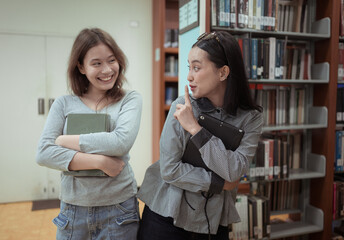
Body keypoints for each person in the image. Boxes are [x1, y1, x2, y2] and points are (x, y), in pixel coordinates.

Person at [137, 31, 263, 240]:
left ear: (223, 73)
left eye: (197, 67)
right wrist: (219, 183)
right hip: (166, 215)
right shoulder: (182, 106)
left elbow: (234, 170)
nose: (189, 76)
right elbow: (169, 169)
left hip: (213, 222)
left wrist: (196, 130)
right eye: (189, 67)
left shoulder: (251, 118)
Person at [36, 28, 142, 240]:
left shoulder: (129, 99)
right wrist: (101, 162)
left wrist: (66, 141)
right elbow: (44, 153)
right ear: (81, 67)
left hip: (119, 209)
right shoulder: (63, 103)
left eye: (112, 60)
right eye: (96, 63)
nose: (107, 70)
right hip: (73, 210)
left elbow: (120, 142)